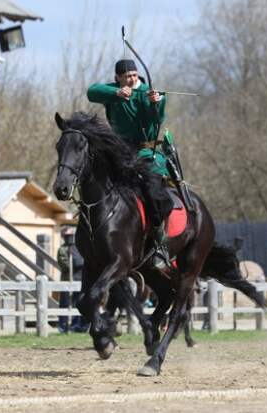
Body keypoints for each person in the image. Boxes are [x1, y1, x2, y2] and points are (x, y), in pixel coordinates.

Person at [87, 59, 174, 267]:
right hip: (120, 151)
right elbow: (92, 91)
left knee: (153, 189)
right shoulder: (113, 91)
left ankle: (159, 242)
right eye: (127, 76)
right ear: (118, 78)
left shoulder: (148, 93)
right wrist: (116, 94)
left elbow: (157, 118)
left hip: (147, 150)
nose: (132, 78)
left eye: (134, 75)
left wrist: (157, 102)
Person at [57, 227, 88, 333]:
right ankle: (63, 326)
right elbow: (65, 265)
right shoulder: (63, 249)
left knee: (80, 303)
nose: (70, 238)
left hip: (81, 280)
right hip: (68, 280)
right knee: (66, 304)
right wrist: (76, 262)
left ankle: (80, 326)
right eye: (67, 235)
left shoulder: (81, 247)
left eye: (72, 235)